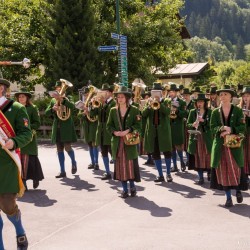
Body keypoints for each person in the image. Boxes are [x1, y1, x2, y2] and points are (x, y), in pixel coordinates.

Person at [0, 78, 32, 249]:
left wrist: (13, 141)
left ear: (2, 88)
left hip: (7, 164)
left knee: (7, 206)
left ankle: (20, 230)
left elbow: (27, 134)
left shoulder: (17, 108)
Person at [210, 85, 248, 207]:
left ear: (231, 96)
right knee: (223, 172)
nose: (222, 96)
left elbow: (243, 127)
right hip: (221, 147)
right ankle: (228, 198)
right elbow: (212, 128)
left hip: (234, 145)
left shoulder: (237, 111)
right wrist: (221, 129)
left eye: (225, 94)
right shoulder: (215, 112)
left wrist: (231, 129)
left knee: (236, 169)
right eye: (221, 94)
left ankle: (237, 191)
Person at [107, 86, 141, 198]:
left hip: (129, 142)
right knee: (120, 166)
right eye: (118, 97)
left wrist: (128, 130)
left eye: (122, 97)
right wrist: (115, 132)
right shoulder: (113, 110)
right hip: (117, 143)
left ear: (127, 98)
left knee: (130, 164)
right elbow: (108, 126)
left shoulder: (135, 109)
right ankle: (124, 190)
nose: (120, 98)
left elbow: (139, 125)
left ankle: (132, 187)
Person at [45, 80, 77, 178]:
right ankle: (62, 171)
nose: (59, 90)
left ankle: (73, 161)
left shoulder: (68, 98)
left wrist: (62, 101)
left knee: (67, 148)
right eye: (57, 89)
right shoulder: (53, 101)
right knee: (59, 149)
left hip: (66, 127)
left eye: (61, 88)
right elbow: (46, 113)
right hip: (57, 127)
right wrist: (52, 109)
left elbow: (73, 107)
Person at [142, 82, 173, 182]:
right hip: (152, 132)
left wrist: (160, 103)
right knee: (155, 153)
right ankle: (160, 175)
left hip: (163, 131)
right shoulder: (148, 102)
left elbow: (168, 112)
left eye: (158, 92)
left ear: (162, 93)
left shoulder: (167, 101)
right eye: (154, 92)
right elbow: (143, 114)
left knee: (167, 152)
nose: (155, 95)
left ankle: (168, 173)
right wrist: (150, 106)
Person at [15, 88, 44, 190]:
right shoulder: (15, 108)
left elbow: (37, 123)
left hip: (29, 138)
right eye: (19, 96)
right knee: (20, 160)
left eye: (23, 96)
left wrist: (28, 129)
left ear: (27, 98)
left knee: (31, 160)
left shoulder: (32, 108)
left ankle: (35, 178)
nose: (21, 98)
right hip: (18, 138)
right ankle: (23, 183)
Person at [91, 83, 116, 180]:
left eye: (104, 92)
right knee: (103, 152)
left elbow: (110, 113)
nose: (102, 93)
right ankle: (107, 172)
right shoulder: (100, 103)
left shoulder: (113, 103)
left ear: (110, 93)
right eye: (101, 92)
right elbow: (93, 114)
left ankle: (118, 171)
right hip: (100, 130)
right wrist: (93, 105)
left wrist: (104, 103)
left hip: (109, 130)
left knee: (112, 151)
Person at [187, 93, 213, 184]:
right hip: (196, 137)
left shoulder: (210, 112)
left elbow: (212, 125)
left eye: (201, 102)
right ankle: (200, 177)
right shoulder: (192, 112)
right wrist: (193, 124)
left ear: (205, 103)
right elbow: (188, 124)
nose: (199, 103)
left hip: (206, 137)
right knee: (197, 156)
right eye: (198, 102)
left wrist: (204, 121)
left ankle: (210, 173)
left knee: (208, 155)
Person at [78, 86, 99, 170]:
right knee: (90, 145)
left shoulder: (95, 103)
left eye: (88, 94)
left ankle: (96, 162)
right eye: (86, 95)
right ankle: (92, 162)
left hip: (94, 125)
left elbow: (97, 114)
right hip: (86, 126)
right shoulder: (83, 104)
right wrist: (83, 113)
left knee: (94, 144)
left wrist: (89, 111)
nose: (87, 96)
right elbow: (79, 115)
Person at [167, 83, 187, 172]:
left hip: (178, 127)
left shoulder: (182, 102)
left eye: (172, 92)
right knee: (171, 149)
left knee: (179, 147)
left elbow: (185, 114)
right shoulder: (166, 101)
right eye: (170, 92)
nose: (170, 94)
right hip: (169, 127)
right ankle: (174, 165)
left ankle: (182, 162)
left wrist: (177, 111)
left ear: (176, 92)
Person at [239, 86, 250, 181]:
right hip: (243, 133)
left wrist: (249, 115)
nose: (245, 98)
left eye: (247, 96)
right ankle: (245, 174)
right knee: (244, 153)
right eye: (244, 96)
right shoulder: (240, 107)